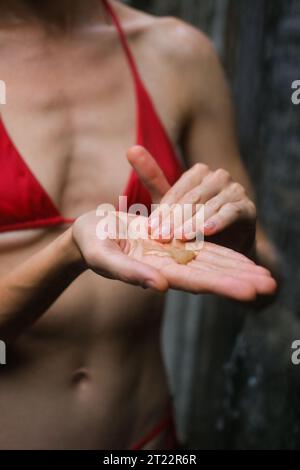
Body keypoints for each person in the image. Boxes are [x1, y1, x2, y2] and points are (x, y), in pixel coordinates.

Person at [0, 0, 277, 449]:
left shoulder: (177, 54)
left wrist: (239, 243)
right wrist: (69, 253)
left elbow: (267, 286)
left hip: (148, 442)